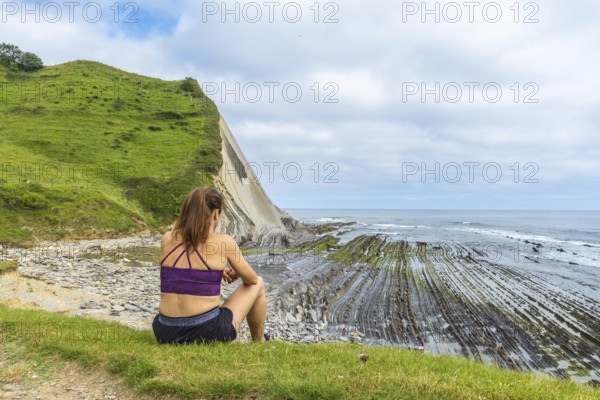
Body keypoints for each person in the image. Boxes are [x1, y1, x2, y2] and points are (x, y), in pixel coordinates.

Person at [152, 186, 268, 344]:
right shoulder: (223, 242)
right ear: (215, 214)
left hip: (164, 331)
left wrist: (218, 271)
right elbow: (251, 280)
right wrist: (238, 272)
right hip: (206, 332)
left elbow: (187, 272)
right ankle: (260, 341)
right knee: (259, 283)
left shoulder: (167, 238)